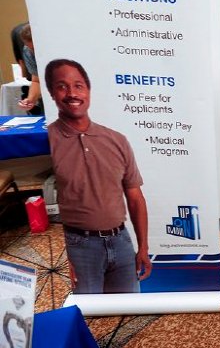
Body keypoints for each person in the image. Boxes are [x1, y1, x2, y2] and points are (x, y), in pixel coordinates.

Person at [45, 59, 151, 293]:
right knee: (88, 310)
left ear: (88, 90)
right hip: (79, 247)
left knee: (128, 309)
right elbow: (42, 207)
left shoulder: (116, 140)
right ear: (51, 93)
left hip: (121, 241)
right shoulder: (47, 140)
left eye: (78, 86)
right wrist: (64, 255)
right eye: (62, 86)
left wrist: (143, 247)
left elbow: (135, 197)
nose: (72, 93)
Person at [17, 24, 43, 115]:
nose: (34, 52)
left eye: (36, 48)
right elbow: (37, 80)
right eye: (31, 48)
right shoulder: (28, 51)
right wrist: (30, 99)